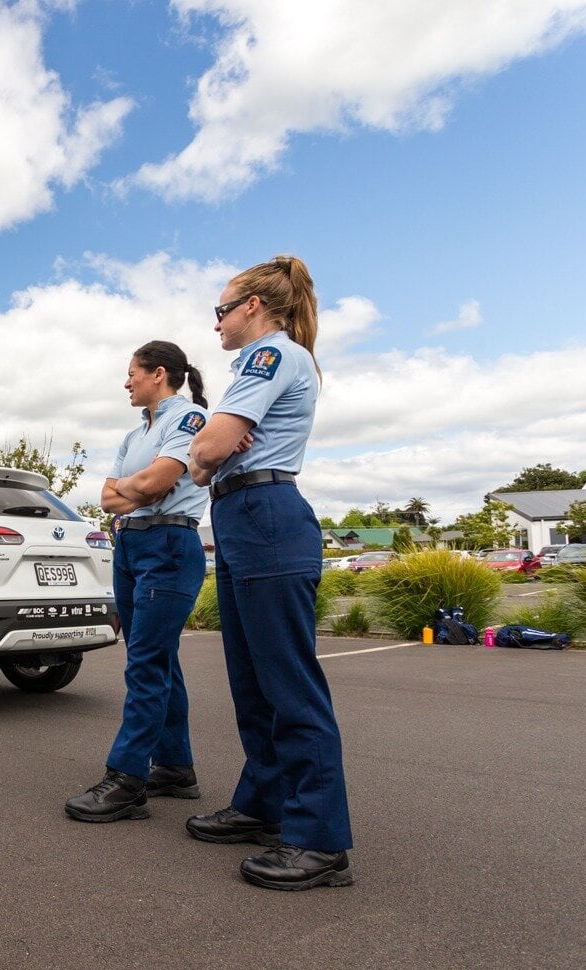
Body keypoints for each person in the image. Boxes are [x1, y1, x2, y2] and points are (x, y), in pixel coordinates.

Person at [187, 254, 354, 891]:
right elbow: (210, 456)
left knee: (289, 682)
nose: (217, 323)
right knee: (252, 680)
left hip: (264, 511)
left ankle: (319, 841)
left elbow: (205, 451)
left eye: (221, 311)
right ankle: (265, 803)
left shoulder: (272, 356)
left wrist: (209, 457)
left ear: (253, 307)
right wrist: (211, 459)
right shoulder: (257, 366)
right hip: (238, 515)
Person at [65, 341, 210, 823]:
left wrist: (140, 488)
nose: (126, 382)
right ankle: (174, 767)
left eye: (132, 373)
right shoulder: (134, 436)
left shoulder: (187, 418)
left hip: (168, 545)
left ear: (159, 373)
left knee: (146, 663)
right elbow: (108, 498)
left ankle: (127, 779)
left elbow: (152, 485)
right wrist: (139, 488)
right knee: (158, 657)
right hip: (129, 547)